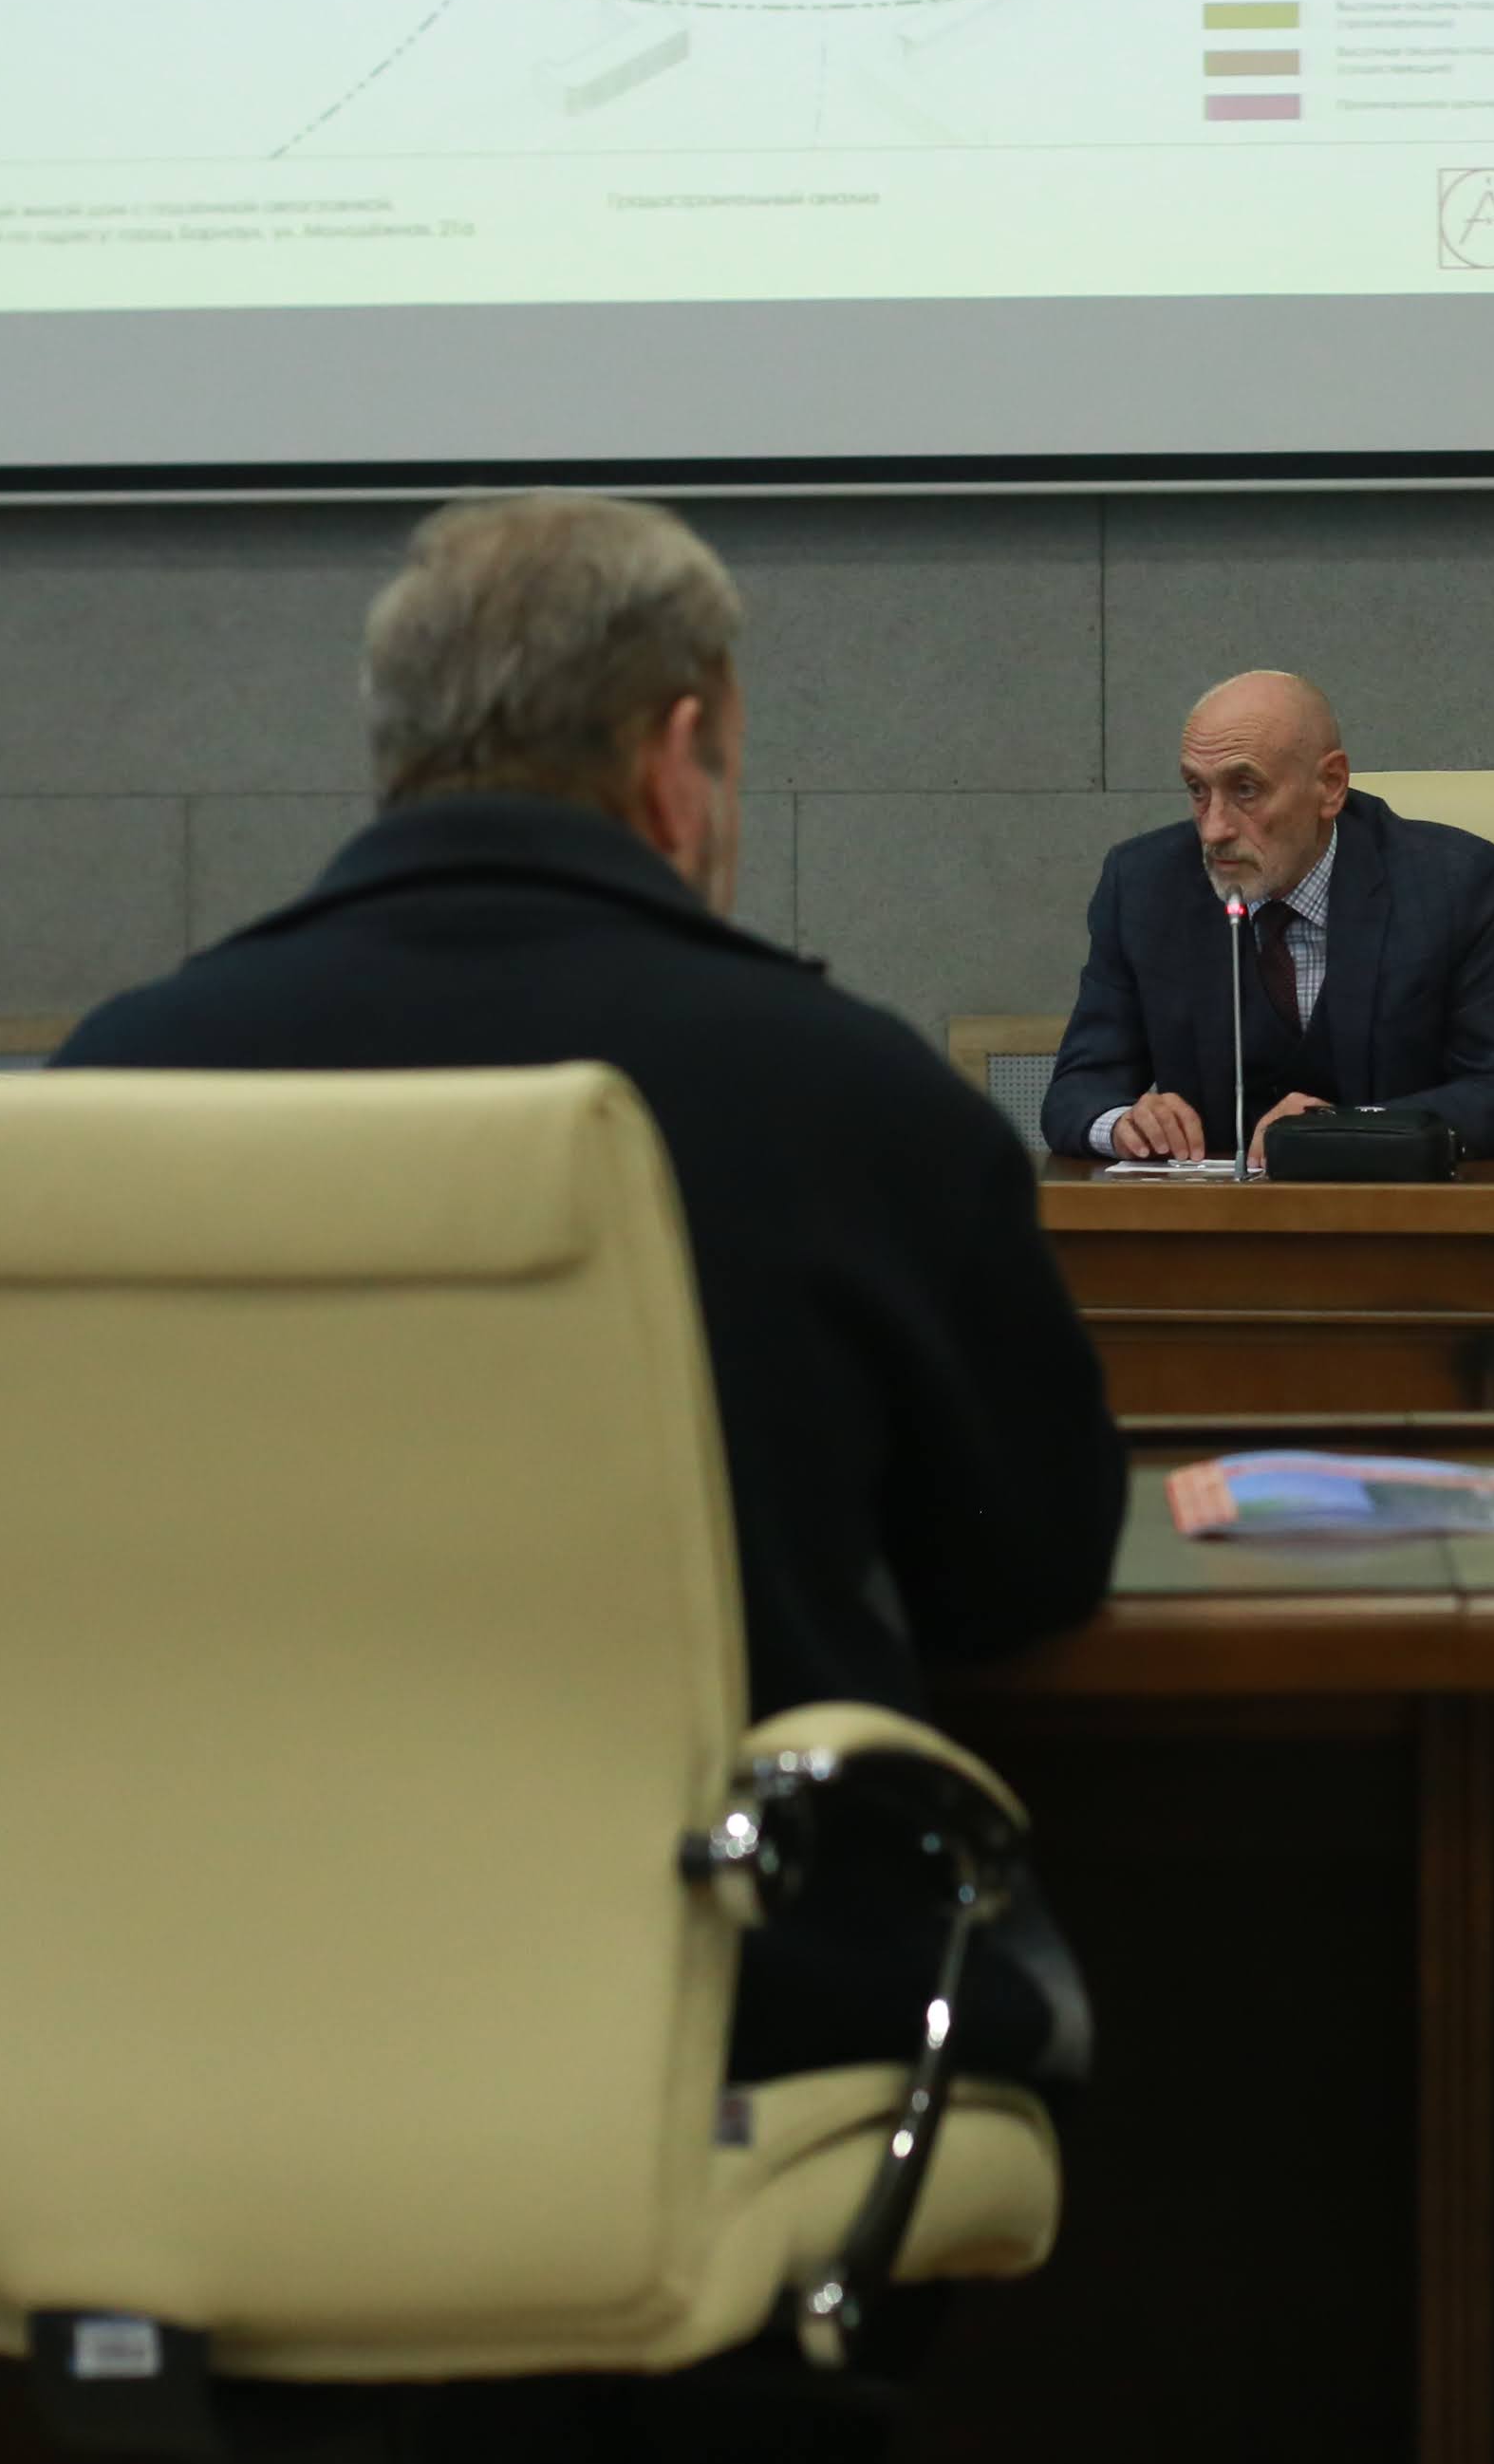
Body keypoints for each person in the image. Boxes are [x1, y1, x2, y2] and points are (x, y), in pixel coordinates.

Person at [54, 495, 1127, 2100]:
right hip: (728, 2021)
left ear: (394, 746)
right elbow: (1022, 1575)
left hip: (202, 2018)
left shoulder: (121, 1077)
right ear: (678, 760)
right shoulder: (860, 1100)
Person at [1039, 669, 1494, 1167]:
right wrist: (1123, 1124)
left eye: (1246, 790)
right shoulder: (1145, 886)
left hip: (1396, 1209)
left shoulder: (1451, 884)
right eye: (1197, 789)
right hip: (1212, 1214)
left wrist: (1348, 1128)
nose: (1213, 830)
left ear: (1330, 785)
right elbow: (1076, 1093)